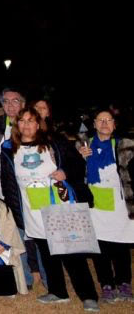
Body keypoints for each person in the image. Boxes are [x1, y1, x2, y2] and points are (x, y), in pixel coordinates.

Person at [5, 106, 98, 308]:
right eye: (22, 121)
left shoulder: (54, 143)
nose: (26, 125)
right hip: (32, 209)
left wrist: (65, 172)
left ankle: (88, 296)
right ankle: (57, 291)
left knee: (72, 252)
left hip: (59, 206)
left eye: (31, 120)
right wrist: (15, 210)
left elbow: (77, 164)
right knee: (47, 253)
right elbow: (7, 182)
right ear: (17, 124)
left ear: (38, 124)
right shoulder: (9, 148)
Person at [80, 109, 134, 303]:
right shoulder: (83, 145)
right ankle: (106, 284)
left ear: (114, 124)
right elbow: (74, 172)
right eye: (100, 120)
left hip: (120, 205)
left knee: (121, 245)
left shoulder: (125, 145)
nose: (104, 123)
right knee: (100, 246)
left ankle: (124, 283)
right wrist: (80, 158)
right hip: (94, 206)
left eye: (108, 120)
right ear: (94, 124)